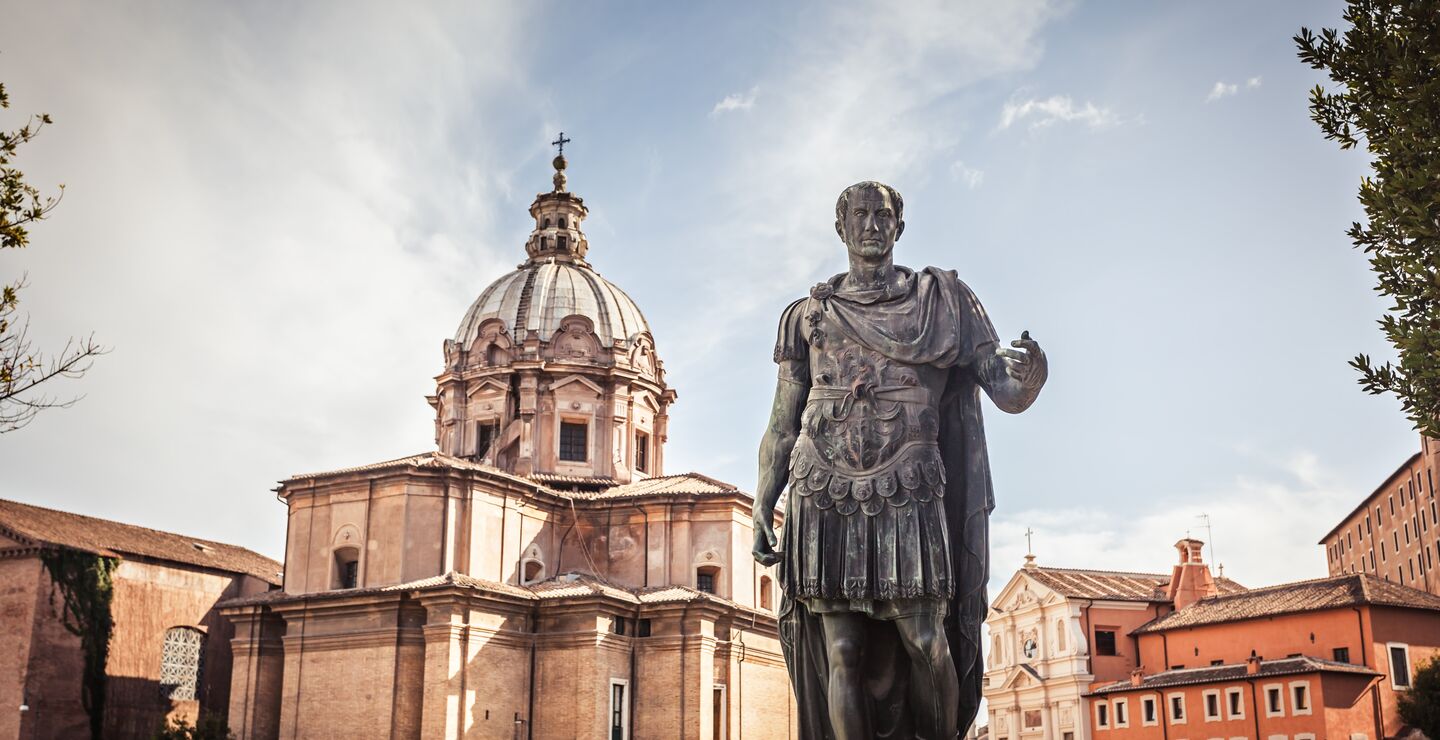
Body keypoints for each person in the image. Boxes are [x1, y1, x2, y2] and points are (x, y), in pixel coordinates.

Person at [753, 181, 1047, 739]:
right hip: (822, 487)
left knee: (926, 639)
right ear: (841, 228)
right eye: (860, 215)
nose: (871, 225)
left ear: (899, 226)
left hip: (909, 484)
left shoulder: (943, 303)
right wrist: (763, 503)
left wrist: (1029, 380)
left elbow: (1005, 390)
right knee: (842, 650)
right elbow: (781, 423)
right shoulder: (807, 316)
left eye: (882, 215)